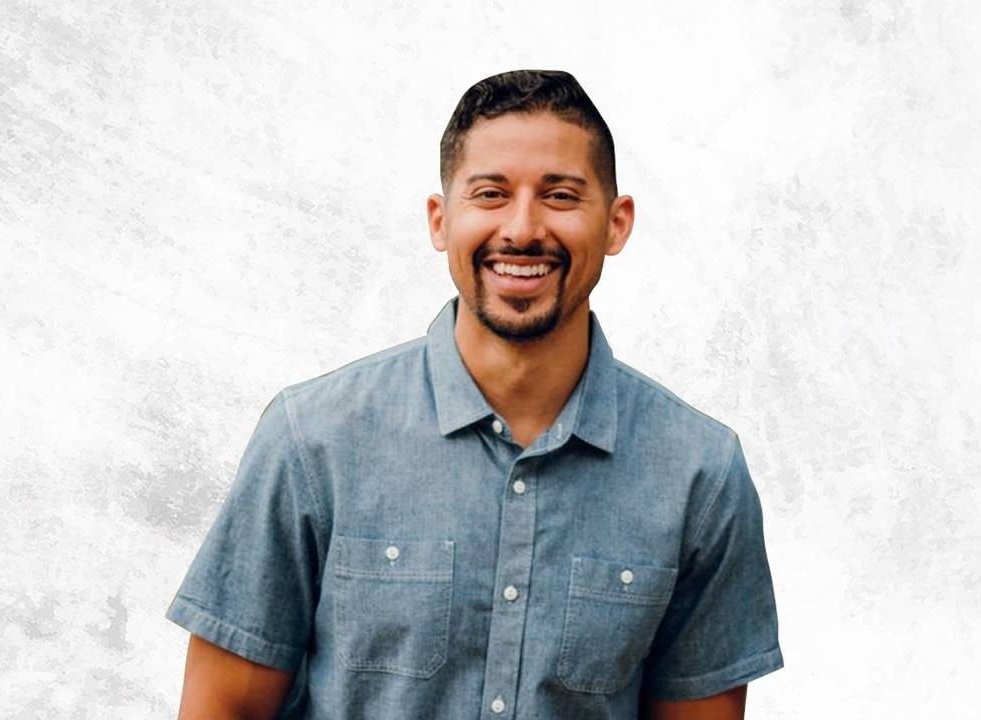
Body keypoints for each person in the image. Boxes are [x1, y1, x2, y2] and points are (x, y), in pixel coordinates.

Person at [166, 69, 784, 719]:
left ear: (616, 223)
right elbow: (222, 709)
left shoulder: (700, 473)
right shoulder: (312, 440)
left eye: (560, 196)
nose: (522, 228)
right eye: (490, 194)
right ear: (441, 220)